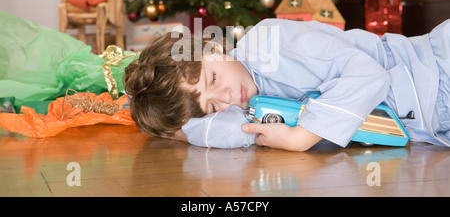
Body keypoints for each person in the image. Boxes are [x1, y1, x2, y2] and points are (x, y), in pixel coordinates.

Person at [123, 18, 450, 151]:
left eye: (212, 78)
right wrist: (170, 124)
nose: (225, 99)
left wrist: (301, 137)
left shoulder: (271, 42)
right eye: (211, 106)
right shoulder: (243, 102)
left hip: (438, 69)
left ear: (214, 46)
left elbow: (369, 75)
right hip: (433, 123)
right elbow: (213, 129)